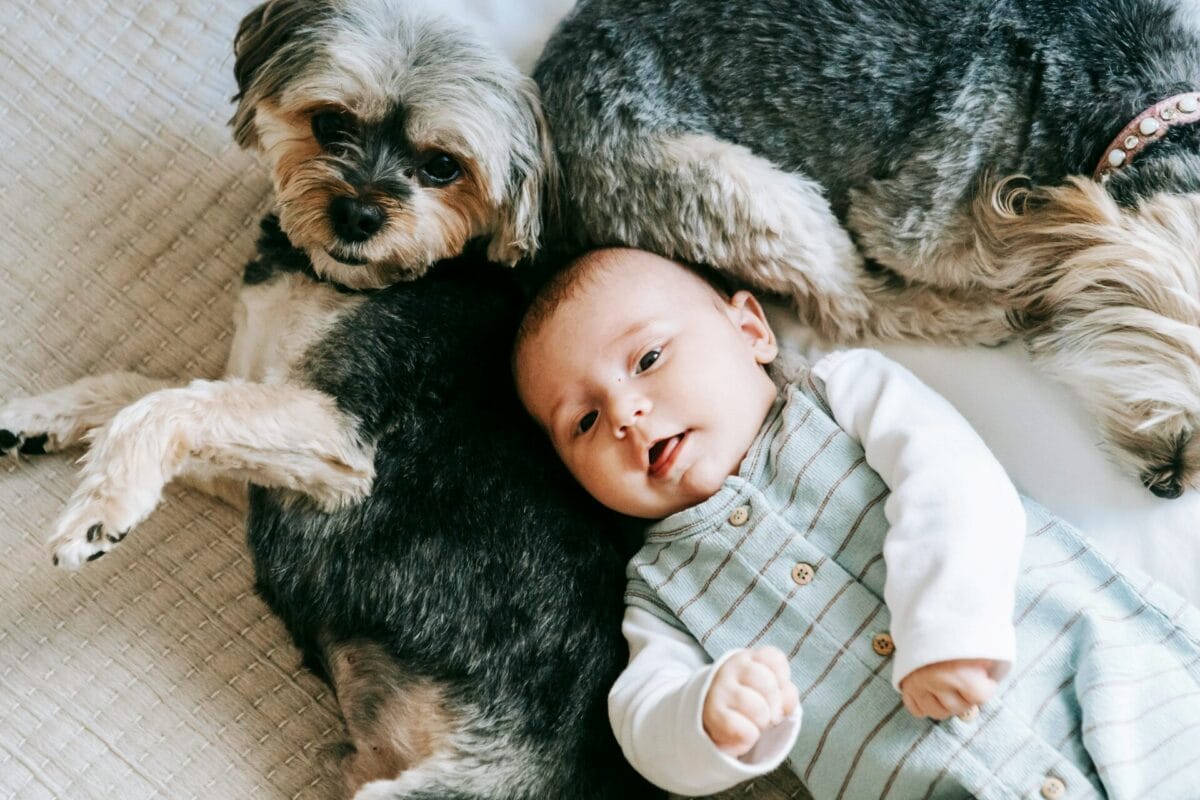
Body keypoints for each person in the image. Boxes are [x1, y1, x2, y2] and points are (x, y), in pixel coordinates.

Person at [513, 248, 1200, 800]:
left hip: (1109, 685)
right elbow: (640, 719)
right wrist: (706, 717)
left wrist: (950, 625)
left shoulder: (846, 393)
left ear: (750, 330)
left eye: (649, 359)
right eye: (584, 421)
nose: (627, 413)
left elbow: (952, 477)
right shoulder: (659, 591)